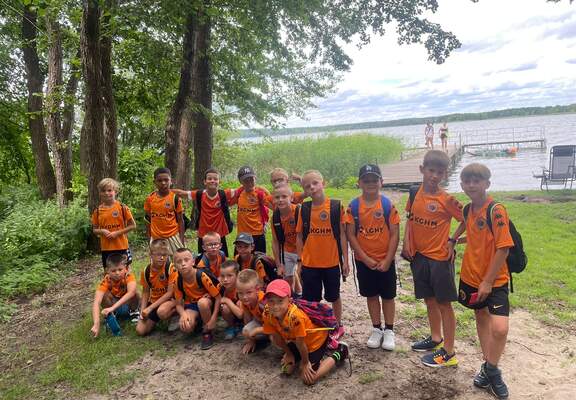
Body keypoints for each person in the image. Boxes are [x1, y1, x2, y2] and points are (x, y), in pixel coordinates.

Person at [401, 150, 464, 367]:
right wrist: (406, 242)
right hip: (419, 256)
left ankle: (449, 352)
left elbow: (467, 219)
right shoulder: (414, 193)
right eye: (431, 171)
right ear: (422, 169)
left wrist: (453, 240)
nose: (434, 176)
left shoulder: (447, 199)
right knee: (429, 299)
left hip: (440, 259)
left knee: (444, 304)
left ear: (445, 174)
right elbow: (410, 218)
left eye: (439, 172)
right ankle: (436, 337)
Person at [457, 163, 514, 399]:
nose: (472, 185)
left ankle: (491, 370)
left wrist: (488, 281)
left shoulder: (496, 210)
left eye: (477, 181)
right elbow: (473, 232)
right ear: (462, 185)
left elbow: (504, 248)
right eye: (467, 181)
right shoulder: (468, 209)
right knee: (481, 316)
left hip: (495, 279)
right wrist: (453, 239)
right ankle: (488, 365)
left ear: (487, 184)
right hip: (471, 275)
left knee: (499, 328)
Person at [345, 164, 400, 351]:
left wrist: (388, 259)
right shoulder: (353, 207)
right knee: (371, 295)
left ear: (381, 182)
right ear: (359, 183)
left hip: (385, 260)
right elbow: (351, 235)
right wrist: (366, 258)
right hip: (364, 261)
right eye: (366, 180)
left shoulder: (387, 205)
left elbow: (395, 233)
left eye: (374, 180)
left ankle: (389, 330)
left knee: (388, 296)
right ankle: (376, 328)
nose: (370, 183)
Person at [262, 279, 349, 385]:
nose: (275, 306)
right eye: (271, 301)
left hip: (315, 342)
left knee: (309, 379)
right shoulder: (267, 313)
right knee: (287, 370)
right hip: (296, 341)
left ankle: (340, 352)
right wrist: (289, 354)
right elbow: (276, 337)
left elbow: (301, 343)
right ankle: (303, 358)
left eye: (280, 301)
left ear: (289, 300)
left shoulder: (295, 317)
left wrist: (305, 362)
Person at [296, 170, 349, 340]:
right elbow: (299, 236)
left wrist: (345, 261)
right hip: (310, 264)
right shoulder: (304, 209)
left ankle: (338, 325)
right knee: (311, 299)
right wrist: (300, 261)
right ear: (305, 190)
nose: (312, 187)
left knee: (334, 296)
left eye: (315, 183)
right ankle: (314, 324)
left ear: (323, 183)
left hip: (331, 263)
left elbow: (342, 235)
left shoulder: (336, 206)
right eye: (307, 186)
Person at [172, 168, 235, 256]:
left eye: (215, 179)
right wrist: (165, 191)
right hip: (203, 234)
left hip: (219, 234)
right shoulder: (200, 194)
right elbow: (182, 193)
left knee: (221, 260)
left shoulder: (224, 194)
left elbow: (239, 191)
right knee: (203, 260)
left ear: (219, 181)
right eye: (209, 179)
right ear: (205, 182)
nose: (212, 181)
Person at [172, 248, 222, 350]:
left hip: (207, 303)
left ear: (193, 261)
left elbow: (218, 297)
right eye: (179, 261)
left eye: (186, 260)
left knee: (202, 303)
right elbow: (178, 304)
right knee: (186, 327)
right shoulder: (177, 280)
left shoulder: (201, 275)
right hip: (192, 305)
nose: (183, 264)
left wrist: (213, 319)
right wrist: (183, 314)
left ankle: (208, 332)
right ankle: (199, 323)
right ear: (175, 266)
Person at [91, 178, 136, 270]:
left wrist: (117, 233)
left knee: (125, 271)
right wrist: (102, 231)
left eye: (109, 190)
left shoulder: (122, 208)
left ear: (115, 191)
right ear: (100, 193)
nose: (106, 193)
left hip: (121, 246)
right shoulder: (97, 211)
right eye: (103, 191)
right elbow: (94, 230)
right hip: (106, 248)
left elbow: (133, 225)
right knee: (108, 272)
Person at [90, 253, 139, 337]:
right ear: (107, 271)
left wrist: (112, 307)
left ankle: (134, 312)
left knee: (135, 292)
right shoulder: (106, 281)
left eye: (120, 269)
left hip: (127, 304)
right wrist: (96, 323)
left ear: (126, 268)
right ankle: (111, 316)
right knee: (103, 295)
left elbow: (131, 293)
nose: (117, 273)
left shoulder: (128, 276)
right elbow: (96, 302)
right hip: (113, 305)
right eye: (113, 271)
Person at [135, 239, 177, 336]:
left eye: (164, 255)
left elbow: (170, 293)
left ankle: (175, 317)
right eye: (158, 254)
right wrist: (143, 311)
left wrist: (150, 308)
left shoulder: (170, 268)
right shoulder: (146, 271)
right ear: (151, 254)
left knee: (162, 312)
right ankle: (155, 321)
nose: (161, 258)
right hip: (154, 302)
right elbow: (145, 292)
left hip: (170, 300)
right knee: (140, 331)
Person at [144, 167, 185, 254]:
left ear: (171, 181)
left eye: (166, 180)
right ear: (154, 182)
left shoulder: (175, 198)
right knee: (158, 261)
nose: (163, 183)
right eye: (159, 180)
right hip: (156, 238)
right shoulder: (149, 199)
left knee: (177, 260)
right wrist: (149, 240)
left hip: (173, 237)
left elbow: (180, 220)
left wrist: (181, 240)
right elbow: (148, 220)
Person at [232, 166, 270, 253]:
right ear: (240, 181)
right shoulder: (239, 193)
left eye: (251, 179)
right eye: (246, 180)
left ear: (255, 178)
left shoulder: (260, 193)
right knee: (239, 259)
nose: (249, 183)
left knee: (259, 259)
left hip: (257, 233)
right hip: (242, 234)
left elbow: (273, 206)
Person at [271, 184, 301, 292]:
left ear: (291, 198)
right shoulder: (275, 218)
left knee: (304, 276)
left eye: (284, 196)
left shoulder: (299, 211)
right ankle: (291, 298)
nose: (280, 200)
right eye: (277, 197)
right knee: (288, 279)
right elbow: (275, 242)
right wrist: (279, 265)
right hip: (287, 251)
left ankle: (304, 297)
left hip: (302, 250)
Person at [236, 269, 267, 354]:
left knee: (274, 338)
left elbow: (274, 325)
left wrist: (256, 331)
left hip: (273, 326)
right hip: (260, 322)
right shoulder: (245, 302)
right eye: (240, 293)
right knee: (246, 331)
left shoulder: (263, 303)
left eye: (249, 292)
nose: (244, 297)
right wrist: (250, 340)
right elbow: (247, 319)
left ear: (257, 289)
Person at [219, 260, 243, 340]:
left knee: (239, 303)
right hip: (233, 314)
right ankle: (231, 326)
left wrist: (227, 300)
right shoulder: (221, 288)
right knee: (224, 307)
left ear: (238, 275)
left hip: (244, 315)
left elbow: (240, 314)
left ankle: (243, 325)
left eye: (229, 275)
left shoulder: (242, 288)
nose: (225, 279)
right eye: (222, 276)